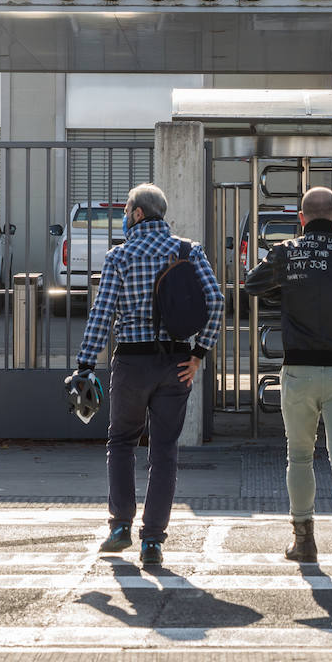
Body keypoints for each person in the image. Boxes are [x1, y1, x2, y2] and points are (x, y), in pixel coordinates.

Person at [76, 183, 224, 567]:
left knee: (122, 442)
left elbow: (102, 314)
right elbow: (217, 302)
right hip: (176, 362)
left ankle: (120, 527)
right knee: (164, 450)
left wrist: (85, 364)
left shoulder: (120, 256)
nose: (124, 215)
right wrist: (198, 353)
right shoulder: (187, 251)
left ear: (138, 213)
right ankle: (153, 541)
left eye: (126, 209)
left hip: (132, 364)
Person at [244, 186, 332, 577]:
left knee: (300, 455)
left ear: (302, 218)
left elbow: (253, 284)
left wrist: (284, 293)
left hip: (299, 368)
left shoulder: (287, 251)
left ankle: (304, 541)